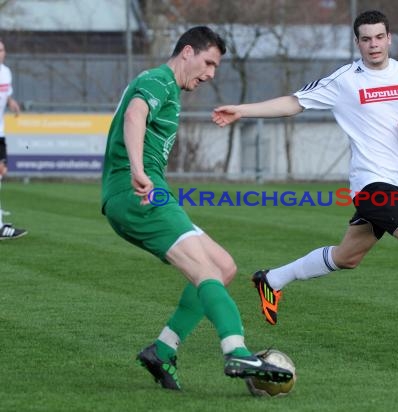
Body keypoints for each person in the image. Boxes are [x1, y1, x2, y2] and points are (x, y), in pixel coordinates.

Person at [212, 10, 398, 358]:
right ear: (357, 42)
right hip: (372, 184)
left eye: (378, 37)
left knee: (347, 257)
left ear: (389, 38)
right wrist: (242, 109)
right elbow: (294, 103)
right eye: (365, 39)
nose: (373, 45)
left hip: (395, 182)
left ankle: (272, 280)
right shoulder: (345, 80)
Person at [101, 26, 293, 391]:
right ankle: (236, 349)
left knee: (223, 267)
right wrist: (139, 171)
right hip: (139, 194)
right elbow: (134, 115)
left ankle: (162, 350)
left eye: (216, 67)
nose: (210, 74)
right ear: (186, 52)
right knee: (205, 268)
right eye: (208, 63)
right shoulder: (159, 80)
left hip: (147, 193)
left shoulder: (165, 85)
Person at [0, 39, 27, 240]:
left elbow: (6, 94)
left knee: (2, 172)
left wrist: (11, 102)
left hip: (0, 131)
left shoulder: (6, 72)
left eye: (1, 49)